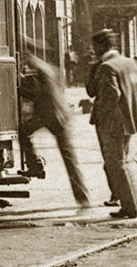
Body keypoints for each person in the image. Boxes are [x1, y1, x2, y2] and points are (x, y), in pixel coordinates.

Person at [17, 52, 91, 209]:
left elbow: (35, 93)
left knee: (23, 131)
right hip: (58, 114)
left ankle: (34, 164)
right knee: (69, 158)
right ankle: (83, 197)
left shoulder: (40, 69)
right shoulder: (48, 68)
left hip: (50, 115)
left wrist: (18, 88)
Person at [85, 29, 137, 219]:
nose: (93, 50)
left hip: (112, 124)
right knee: (120, 163)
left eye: (95, 46)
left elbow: (110, 95)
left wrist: (99, 113)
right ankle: (129, 201)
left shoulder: (106, 67)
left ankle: (129, 207)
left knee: (115, 164)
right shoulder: (128, 63)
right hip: (130, 121)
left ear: (101, 46)